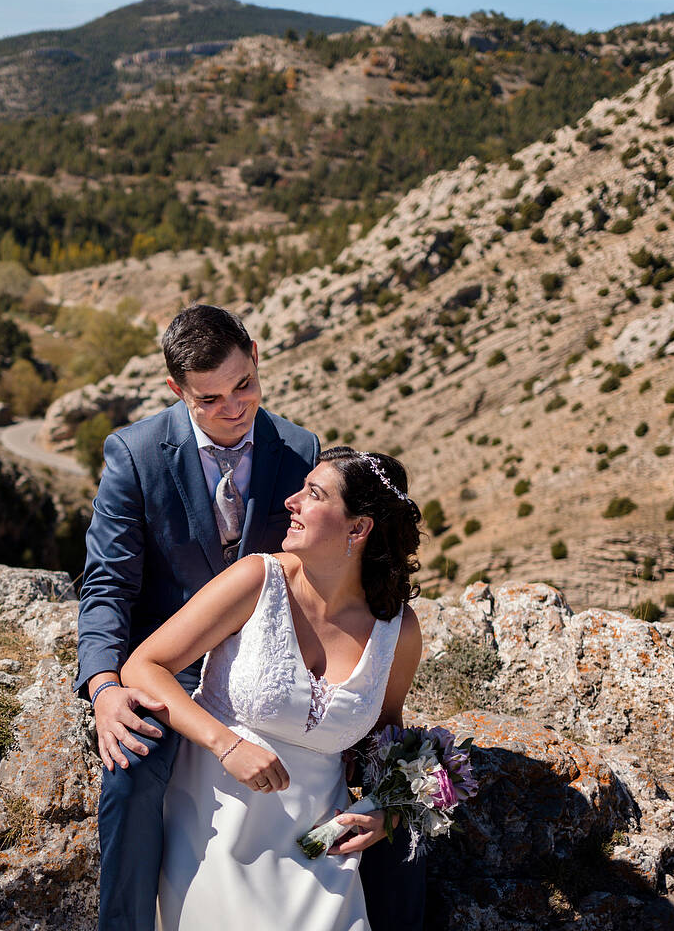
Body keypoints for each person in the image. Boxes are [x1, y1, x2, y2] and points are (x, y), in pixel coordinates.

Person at [76, 304, 320, 931]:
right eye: (210, 398)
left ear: (257, 356)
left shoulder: (300, 449)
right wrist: (104, 687)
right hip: (167, 667)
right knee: (129, 784)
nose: (235, 407)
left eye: (245, 385)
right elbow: (107, 586)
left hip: (266, 668)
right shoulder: (134, 455)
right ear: (176, 389)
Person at [121, 448, 424, 931]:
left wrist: (388, 809)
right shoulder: (257, 580)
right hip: (215, 826)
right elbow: (145, 666)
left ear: (357, 528)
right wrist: (228, 744)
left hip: (321, 851)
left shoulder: (398, 631)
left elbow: (385, 731)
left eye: (314, 494)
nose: (291, 501)